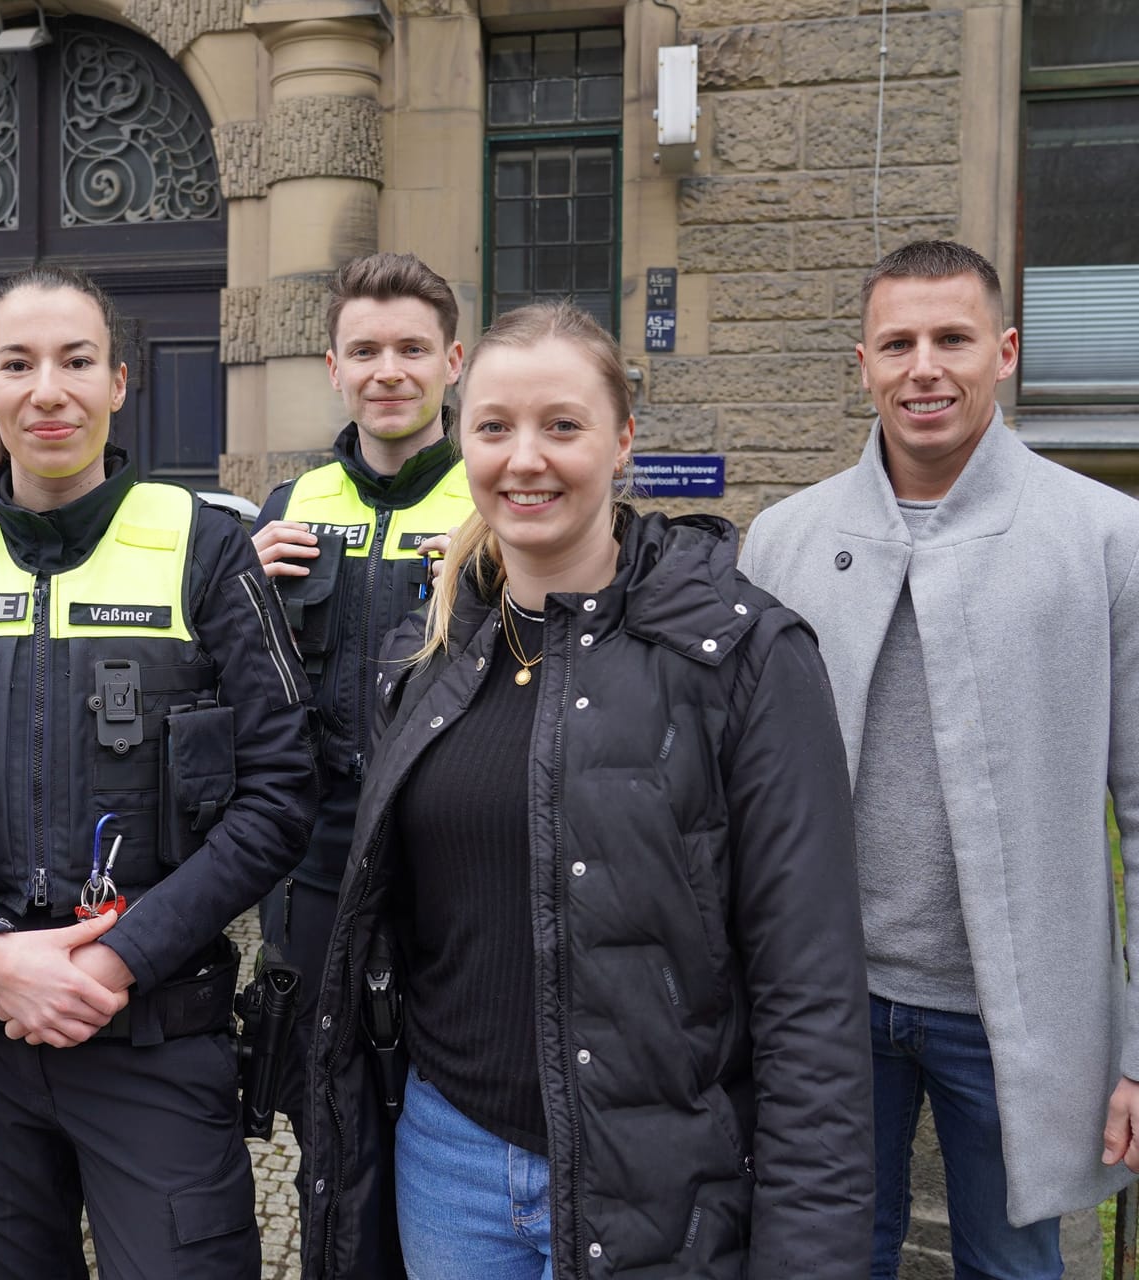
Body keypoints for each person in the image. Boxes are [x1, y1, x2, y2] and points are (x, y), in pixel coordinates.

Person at [302, 300, 875, 1279]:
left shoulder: (744, 656)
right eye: (495, 427)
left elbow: (810, 1000)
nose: (526, 458)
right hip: (452, 1165)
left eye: (562, 425)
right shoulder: (432, 658)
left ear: (622, 440)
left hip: (660, 1182)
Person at [0, 263, 318, 1279]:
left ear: (119, 381)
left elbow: (280, 790)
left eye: (76, 360)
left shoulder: (204, 553)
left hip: (154, 1036)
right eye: (19, 363)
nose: (50, 388)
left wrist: (117, 957)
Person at [739, 239, 1139, 1279]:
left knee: (1014, 1263)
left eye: (952, 338)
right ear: (861, 364)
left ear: (1003, 351)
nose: (925, 366)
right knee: (831, 1259)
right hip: (829, 999)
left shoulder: (1107, 540)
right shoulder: (780, 540)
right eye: (898, 342)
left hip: (1021, 1011)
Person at [248, 252, 469, 1206]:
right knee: (321, 1111)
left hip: (450, 859)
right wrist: (235, 592)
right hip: (314, 862)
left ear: (452, 362)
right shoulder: (289, 509)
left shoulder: (493, 499)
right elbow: (231, 691)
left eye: (412, 348)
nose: (390, 371)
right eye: (365, 350)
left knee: (444, 1100)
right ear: (334, 369)